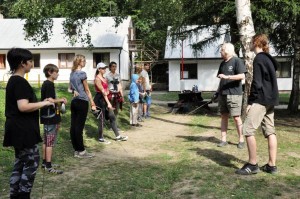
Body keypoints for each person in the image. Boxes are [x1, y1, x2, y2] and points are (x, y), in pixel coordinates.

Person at [3, 48, 53, 199]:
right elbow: (23, 106)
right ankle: (23, 195)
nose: (32, 63)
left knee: (20, 162)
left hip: (16, 129)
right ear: (22, 63)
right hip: (23, 130)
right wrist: (43, 103)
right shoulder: (20, 82)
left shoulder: (13, 80)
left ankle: (15, 195)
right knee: (31, 162)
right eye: (30, 61)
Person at [235, 34, 279, 175]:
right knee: (270, 131)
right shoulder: (269, 59)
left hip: (261, 100)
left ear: (256, 43)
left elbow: (257, 83)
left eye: (251, 42)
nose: (249, 44)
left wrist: (251, 101)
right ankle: (271, 166)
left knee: (247, 130)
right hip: (271, 100)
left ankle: (253, 164)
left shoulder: (259, 59)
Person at [216, 42, 246, 149]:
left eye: (222, 50)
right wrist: (217, 92)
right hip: (223, 94)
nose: (221, 51)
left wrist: (228, 77)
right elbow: (221, 80)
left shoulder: (237, 61)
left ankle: (241, 140)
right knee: (224, 116)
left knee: (236, 117)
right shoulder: (222, 63)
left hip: (234, 94)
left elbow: (242, 76)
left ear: (227, 51)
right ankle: (223, 140)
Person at [40, 64, 67, 174]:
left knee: (46, 140)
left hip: (48, 116)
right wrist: (62, 99)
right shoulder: (49, 84)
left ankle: (45, 162)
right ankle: (49, 166)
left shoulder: (47, 84)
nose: (58, 74)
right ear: (50, 72)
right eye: (56, 72)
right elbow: (49, 100)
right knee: (49, 141)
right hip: (49, 116)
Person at [69, 54, 96, 158]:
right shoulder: (82, 73)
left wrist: (74, 90)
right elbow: (87, 90)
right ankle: (82, 151)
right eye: (84, 61)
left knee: (73, 126)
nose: (85, 62)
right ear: (79, 62)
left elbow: (69, 89)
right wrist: (92, 102)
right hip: (82, 101)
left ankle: (76, 150)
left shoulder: (72, 74)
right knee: (79, 127)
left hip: (74, 102)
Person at [94, 62, 128, 142]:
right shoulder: (97, 79)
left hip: (105, 98)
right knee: (101, 119)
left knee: (112, 116)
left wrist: (110, 92)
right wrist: (108, 102)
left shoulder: (104, 78)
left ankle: (118, 136)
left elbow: (106, 90)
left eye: (105, 68)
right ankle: (101, 138)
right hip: (100, 100)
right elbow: (103, 92)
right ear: (99, 69)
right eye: (103, 68)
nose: (104, 69)